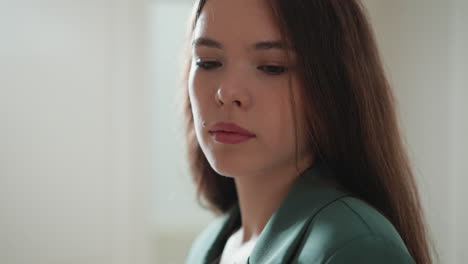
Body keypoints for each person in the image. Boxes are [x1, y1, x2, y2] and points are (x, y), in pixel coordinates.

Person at [182, 0, 434, 263]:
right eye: (207, 62)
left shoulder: (355, 247)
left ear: (333, 86)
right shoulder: (208, 246)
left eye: (272, 67)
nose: (227, 92)